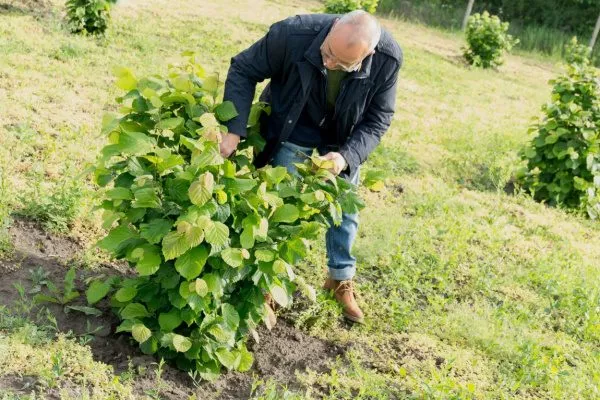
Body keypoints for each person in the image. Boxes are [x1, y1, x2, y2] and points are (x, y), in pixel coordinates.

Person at [220, 10, 402, 324]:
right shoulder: (292, 34)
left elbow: (378, 118)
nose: (330, 63)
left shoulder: (387, 59)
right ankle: (268, 283)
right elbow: (244, 68)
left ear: (368, 54)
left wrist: (347, 156)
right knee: (280, 205)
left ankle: (339, 280)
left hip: (342, 136)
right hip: (294, 124)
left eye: (343, 64)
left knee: (344, 209)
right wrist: (234, 129)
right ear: (332, 27)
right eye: (327, 53)